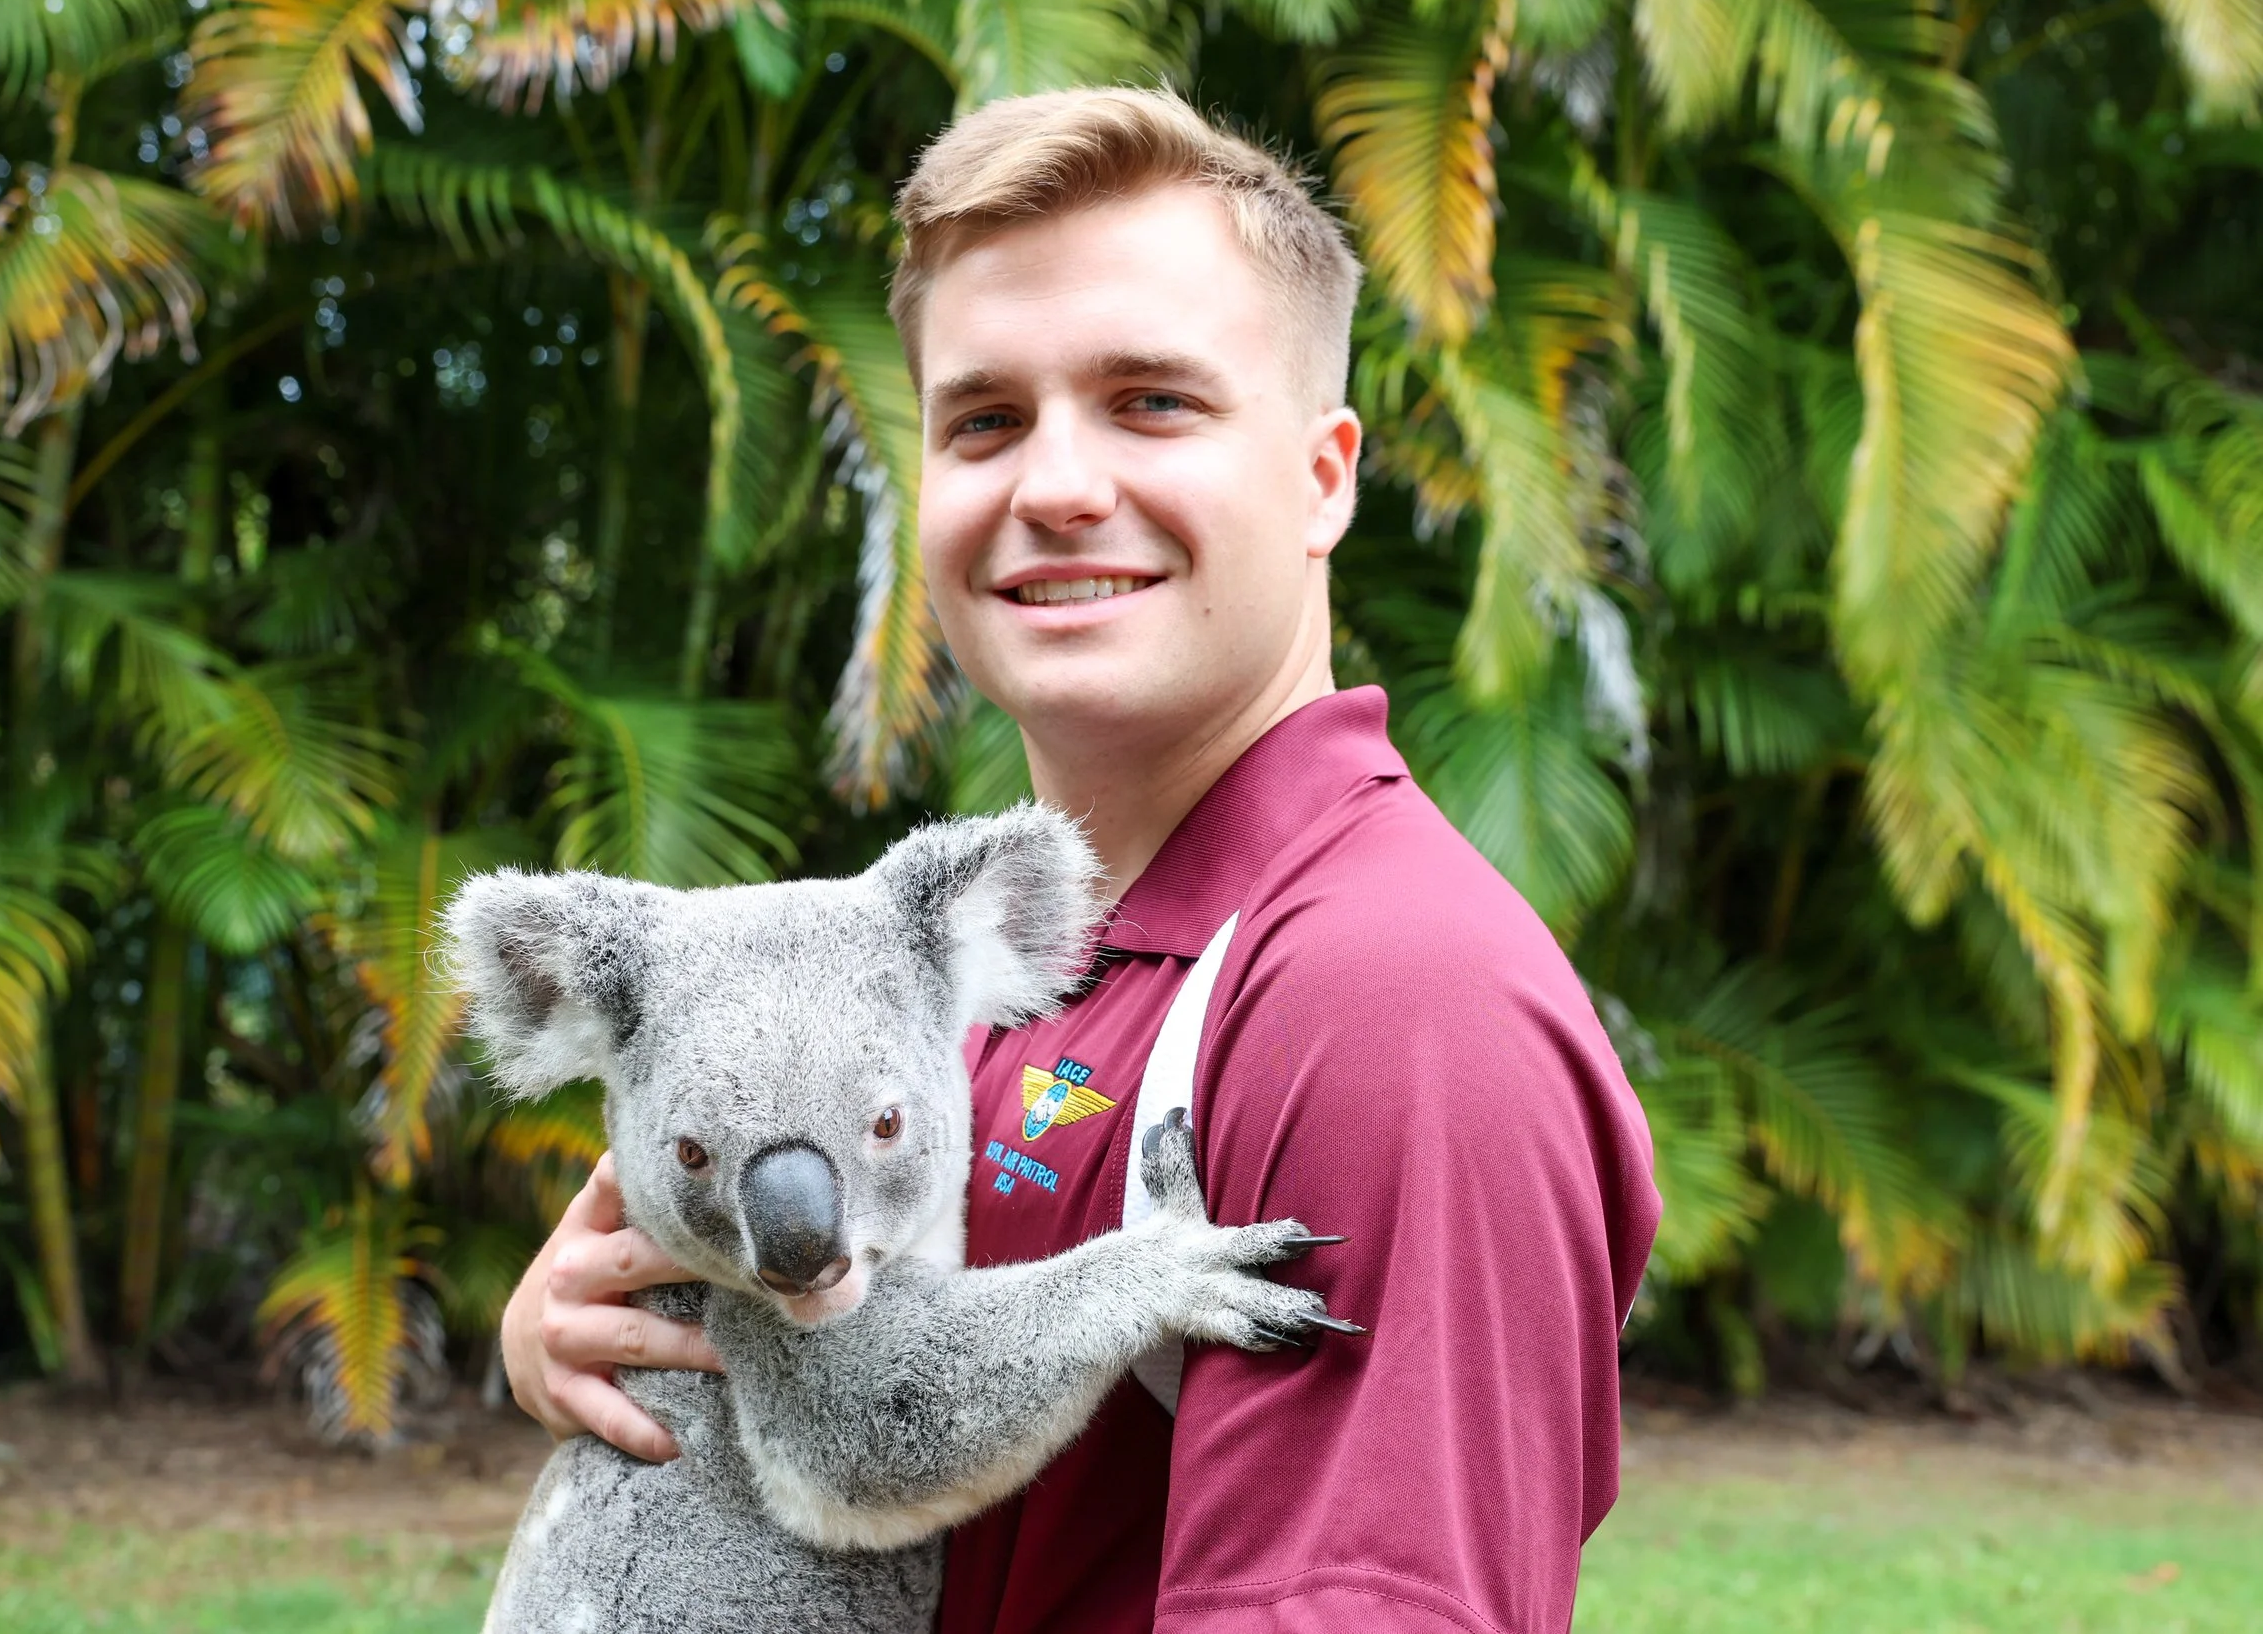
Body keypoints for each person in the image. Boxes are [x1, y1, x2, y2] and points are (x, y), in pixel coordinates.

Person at [497, 88, 1660, 1634]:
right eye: (985, 420)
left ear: (1324, 475)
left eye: (1152, 401)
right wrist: (603, 1334)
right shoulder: (955, 964)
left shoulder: (1390, 1001)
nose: (1055, 486)